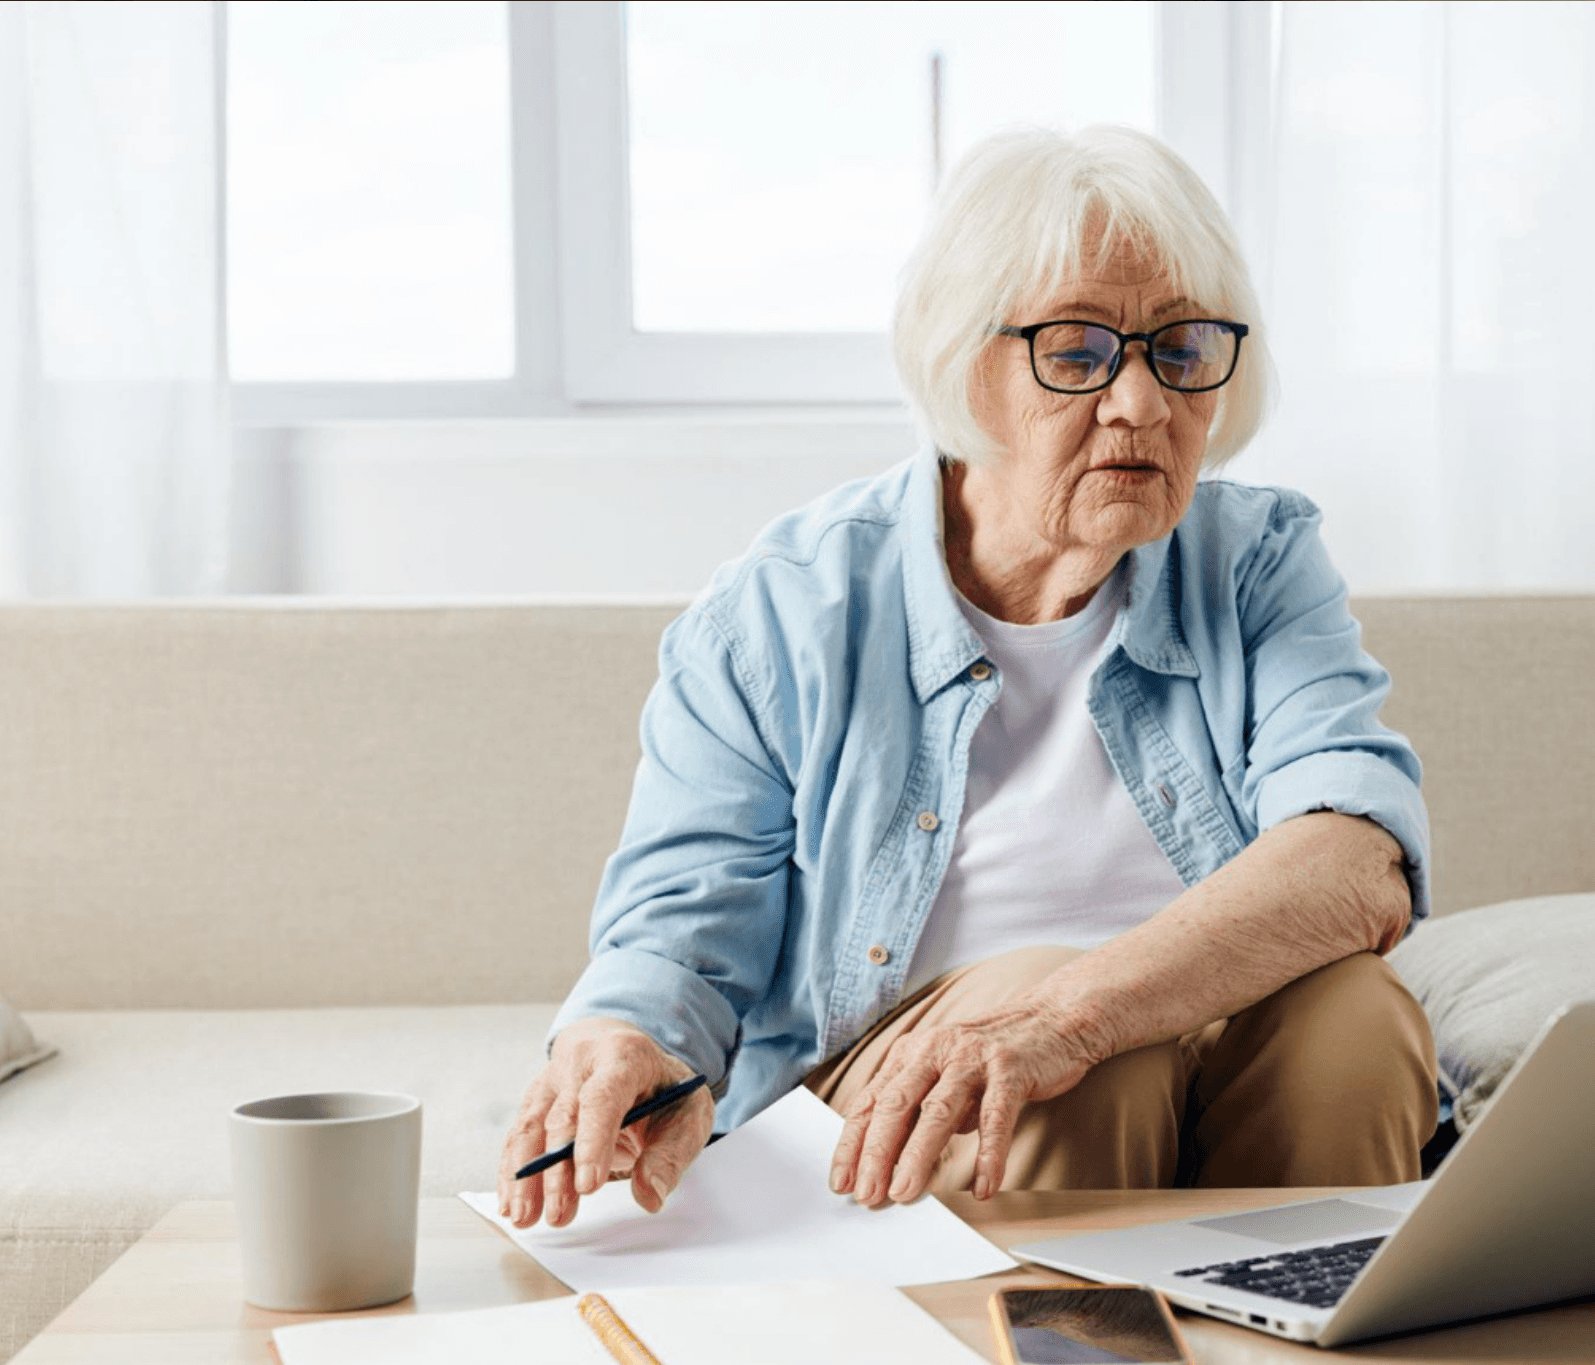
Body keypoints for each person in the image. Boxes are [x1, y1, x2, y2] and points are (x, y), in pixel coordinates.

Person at [499, 125, 1436, 1233]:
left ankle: (1311, 1357)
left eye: (1181, 350)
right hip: (907, 1102)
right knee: (1085, 1062)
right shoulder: (781, 613)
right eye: (1078, 353)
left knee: (1352, 1016)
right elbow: (678, 939)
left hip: (1154, 1045)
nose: (1142, 406)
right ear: (960, 363)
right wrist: (625, 1041)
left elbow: (1355, 861)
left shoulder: (1258, 560)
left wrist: (1077, 1013)